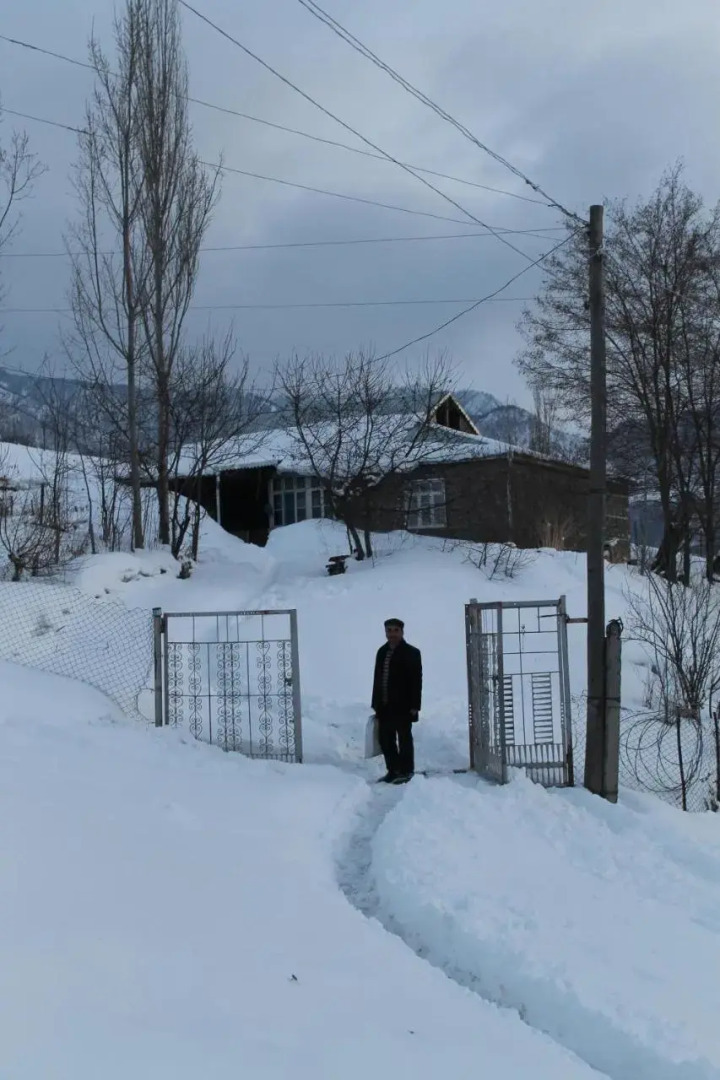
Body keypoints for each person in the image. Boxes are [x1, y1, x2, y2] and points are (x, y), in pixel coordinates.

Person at [371, 618, 422, 784]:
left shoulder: (412, 653)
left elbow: (416, 681)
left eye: (395, 630)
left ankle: (407, 771)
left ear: (402, 632)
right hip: (384, 705)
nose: (392, 634)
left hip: (403, 705)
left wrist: (415, 706)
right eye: (389, 630)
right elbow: (377, 679)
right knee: (386, 739)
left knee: (404, 738)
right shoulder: (382, 652)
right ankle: (393, 770)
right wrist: (376, 702)